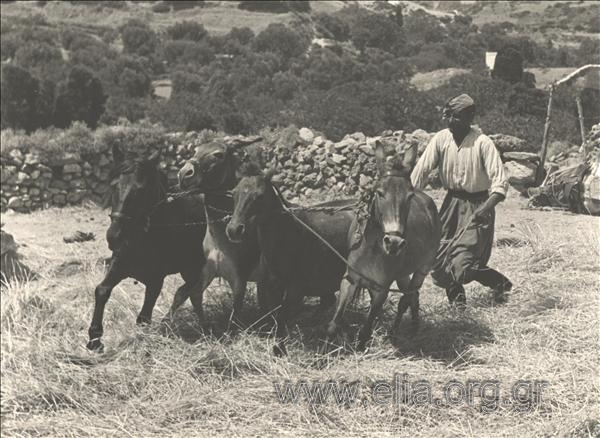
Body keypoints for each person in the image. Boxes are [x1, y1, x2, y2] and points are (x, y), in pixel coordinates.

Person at [411, 94, 512, 306]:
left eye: (456, 117)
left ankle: (501, 284)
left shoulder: (482, 143)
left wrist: (484, 209)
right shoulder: (441, 139)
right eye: (448, 116)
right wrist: (408, 196)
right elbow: (421, 171)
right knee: (440, 259)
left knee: (464, 263)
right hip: (451, 204)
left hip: (478, 205)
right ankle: (458, 305)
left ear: (469, 118)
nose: (451, 122)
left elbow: (500, 183)